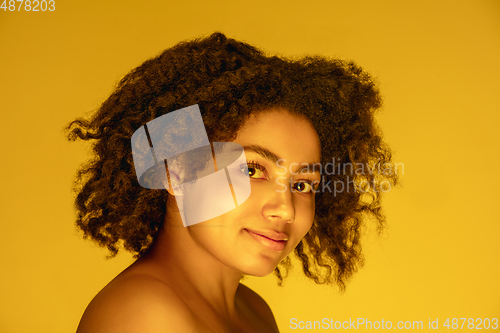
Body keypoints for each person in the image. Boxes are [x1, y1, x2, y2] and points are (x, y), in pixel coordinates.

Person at [68, 32, 397, 332]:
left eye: (302, 184)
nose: (286, 210)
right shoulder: (145, 316)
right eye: (252, 169)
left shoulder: (254, 312)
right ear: (175, 170)